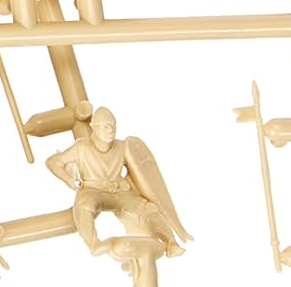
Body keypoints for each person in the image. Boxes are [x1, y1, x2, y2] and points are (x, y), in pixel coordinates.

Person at [46, 106, 189, 257]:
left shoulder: (122, 147)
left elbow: (139, 171)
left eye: (113, 126)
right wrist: (69, 180)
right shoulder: (82, 147)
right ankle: (94, 244)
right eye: (105, 126)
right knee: (84, 205)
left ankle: (171, 243)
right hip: (93, 190)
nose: (111, 130)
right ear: (94, 126)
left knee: (149, 208)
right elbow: (53, 162)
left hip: (120, 192)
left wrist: (136, 188)